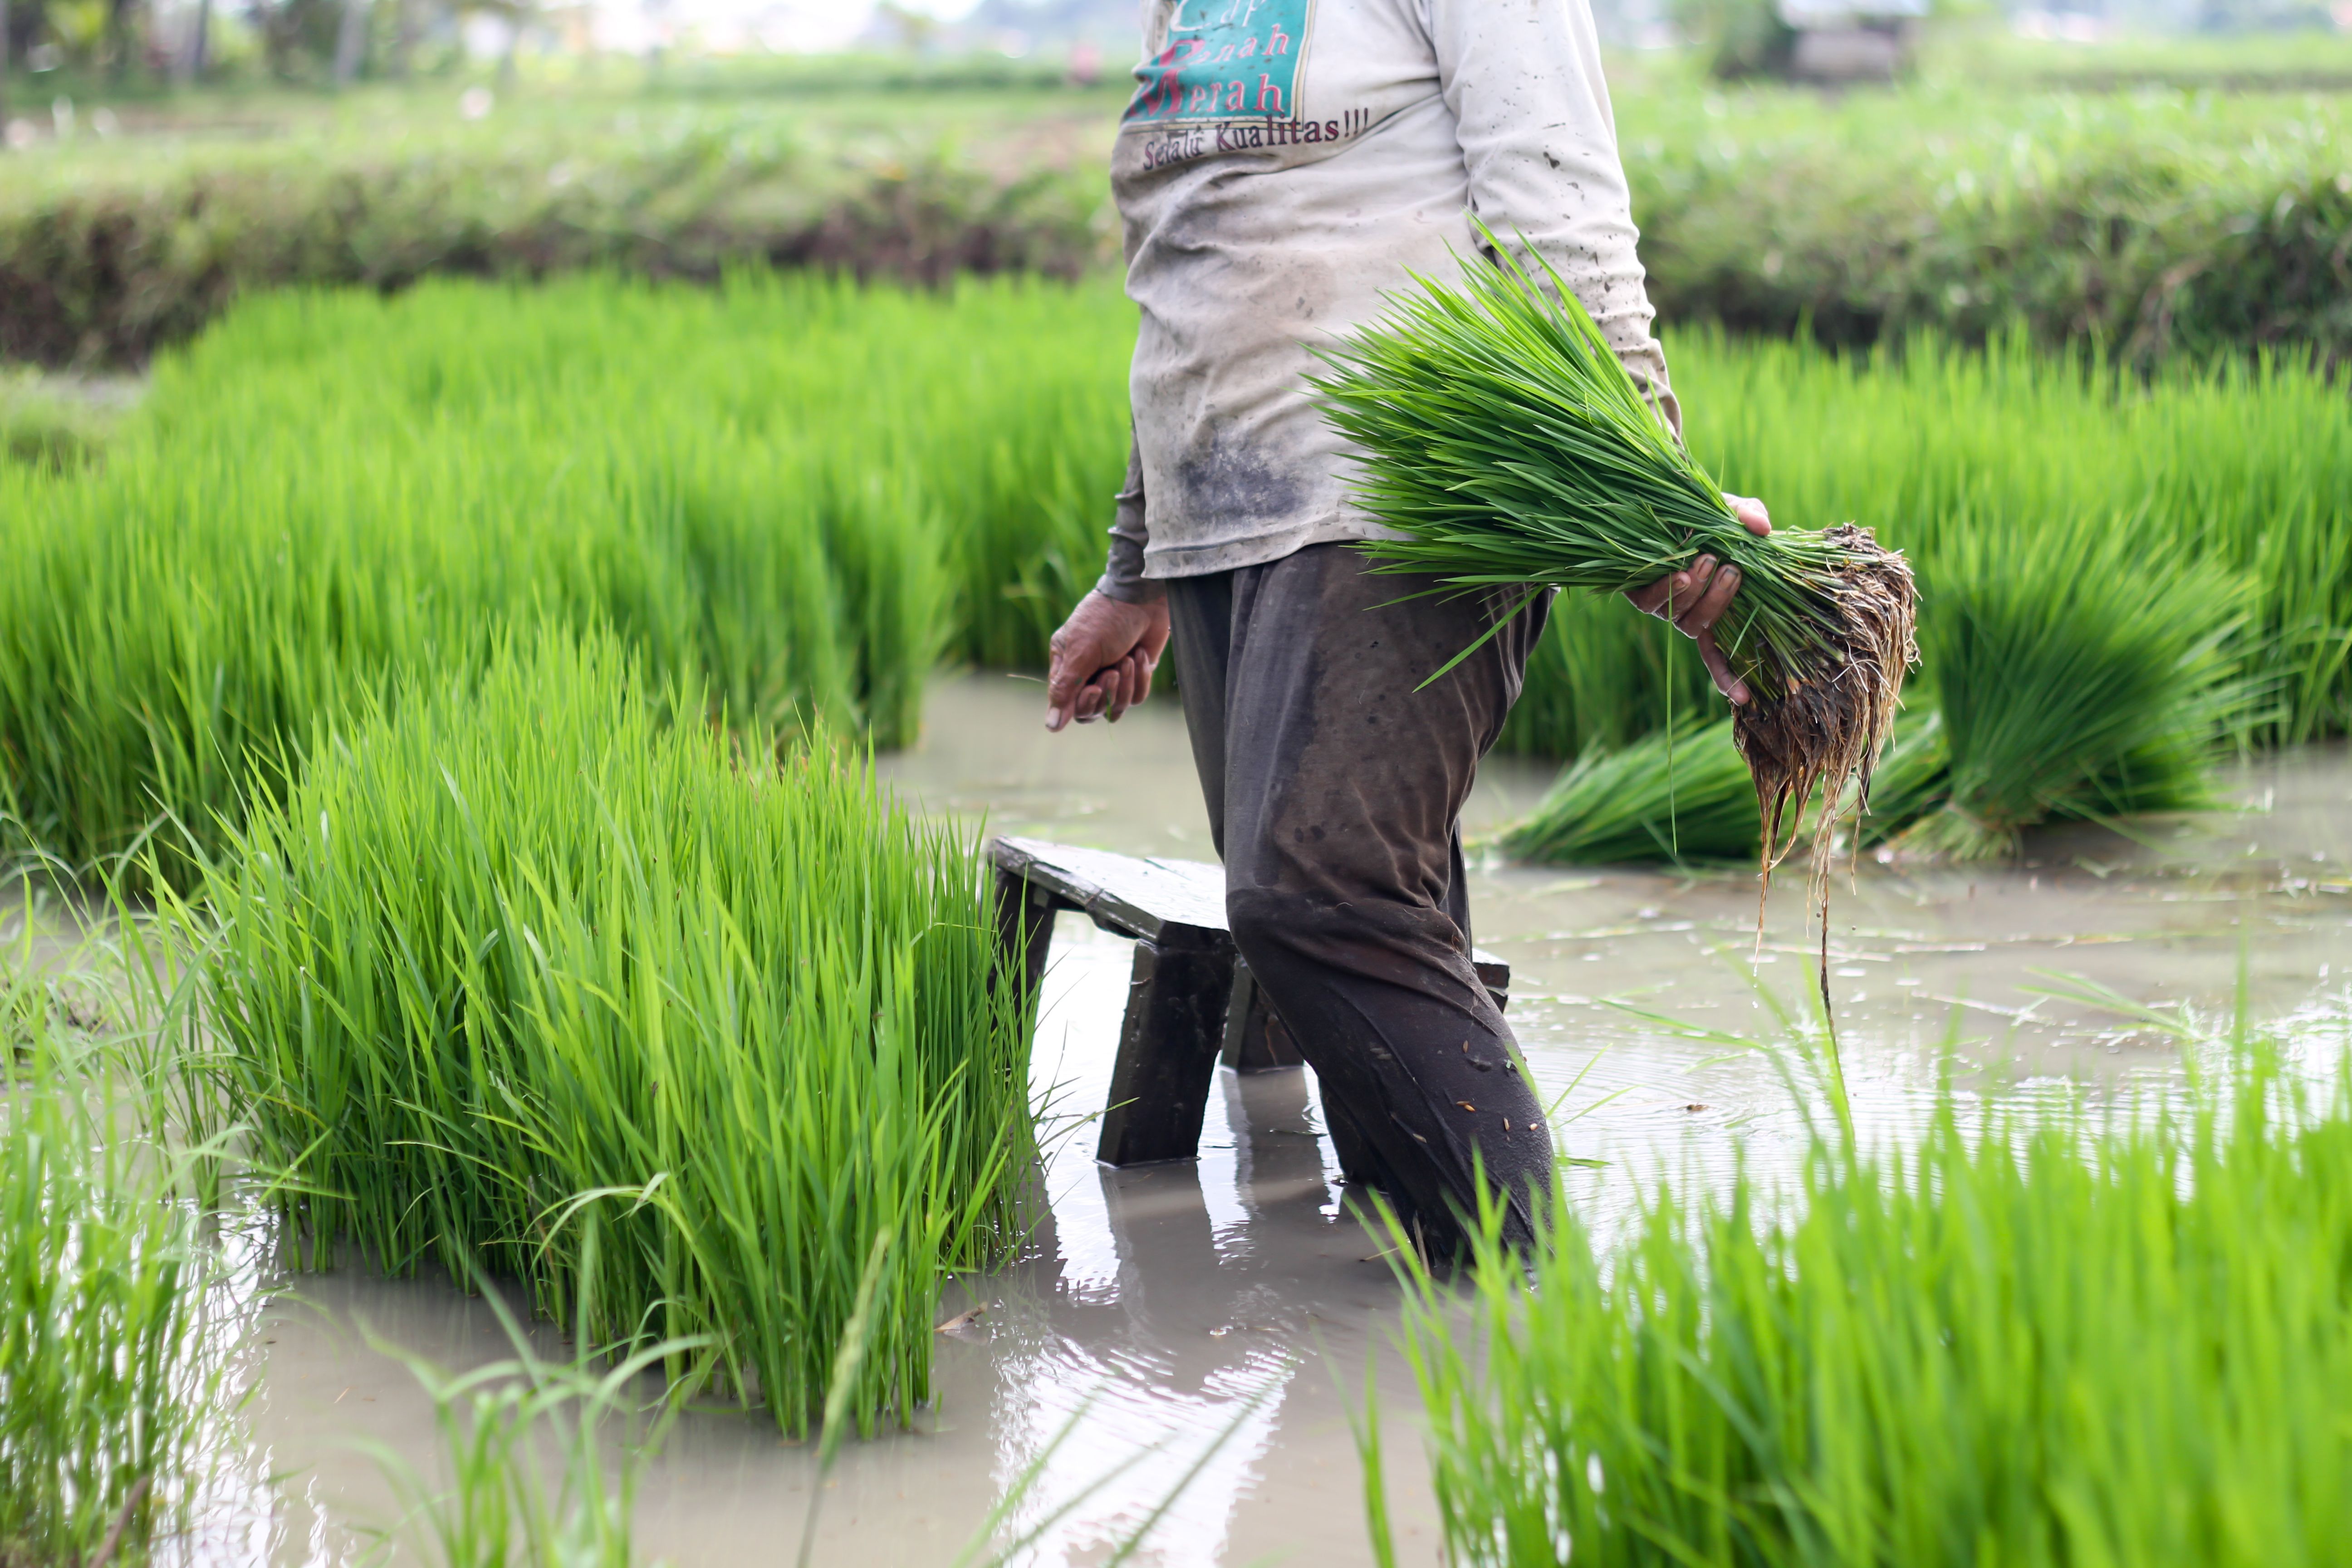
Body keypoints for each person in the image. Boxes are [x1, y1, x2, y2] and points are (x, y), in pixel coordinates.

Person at [1043, 0, 1772, 1254]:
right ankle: (1421, 1335)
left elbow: (1561, 211)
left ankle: (1533, 1304)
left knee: (1314, 889)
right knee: (1363, 913)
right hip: (1225, 518)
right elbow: (1193, 271)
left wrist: (1650, 498)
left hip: (1410, 492)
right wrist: (1136, 565)